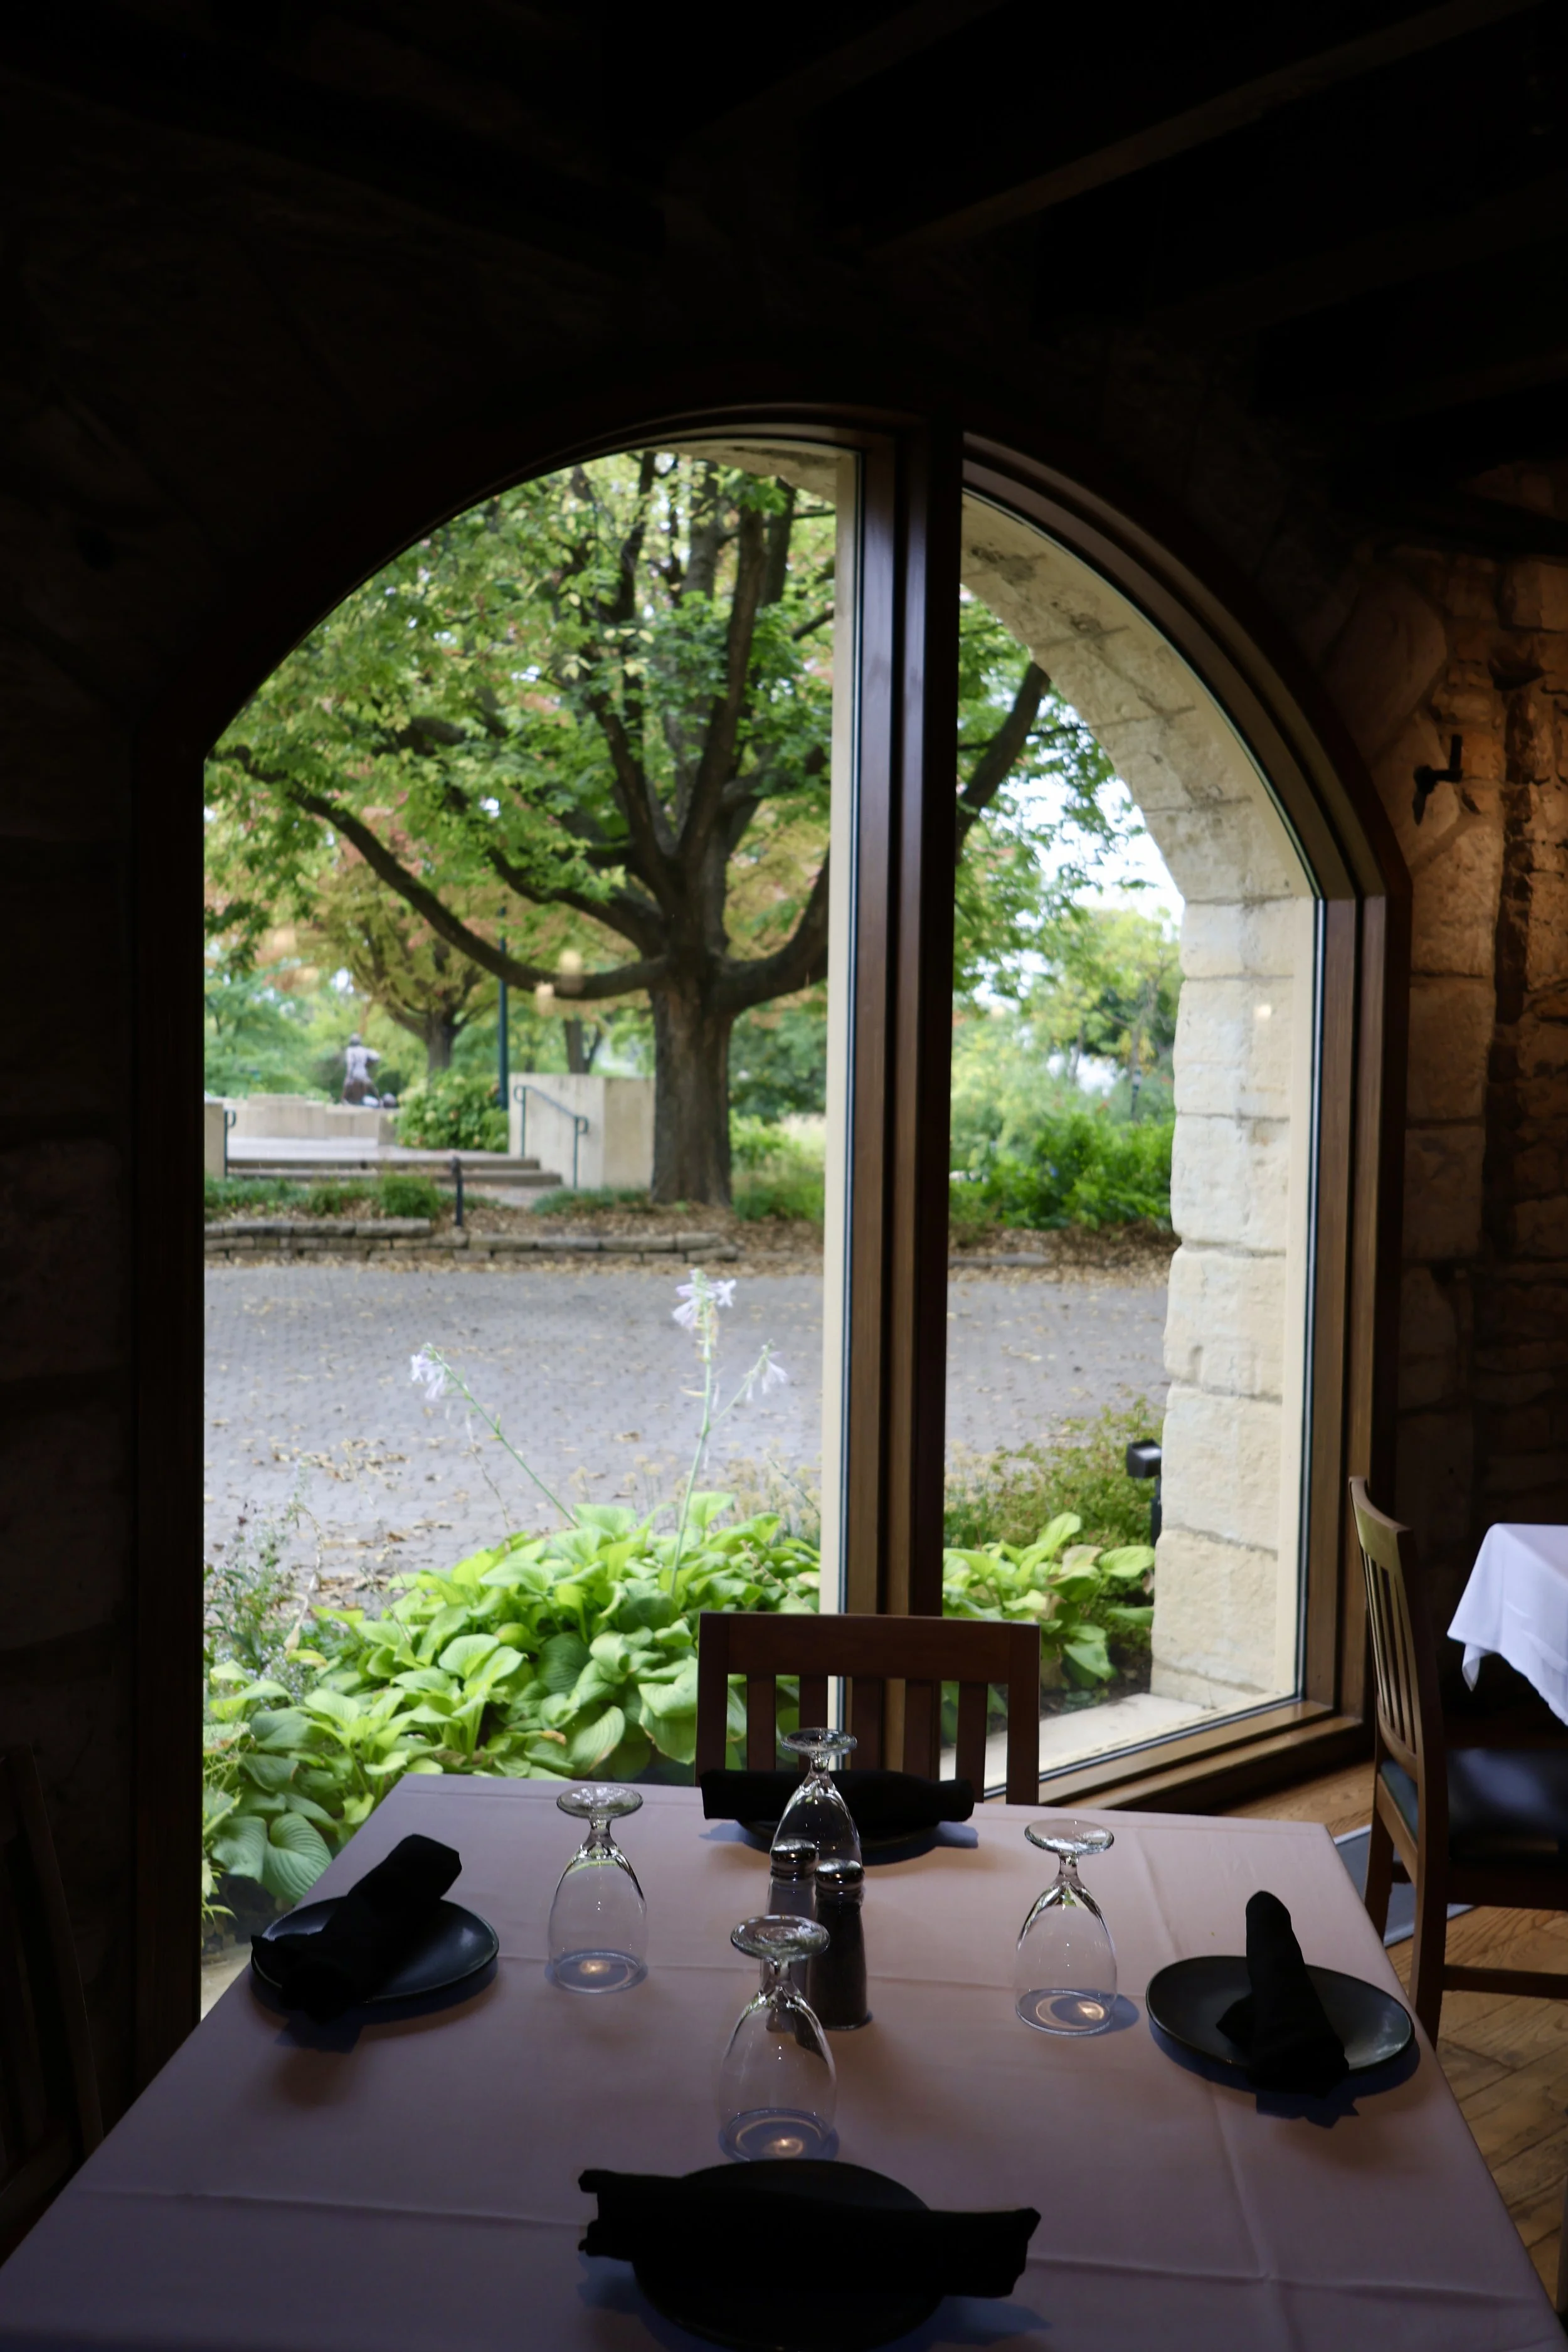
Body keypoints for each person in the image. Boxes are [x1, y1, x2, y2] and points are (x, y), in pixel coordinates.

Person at [342, 1032, 381, 1105]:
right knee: (371, 1086)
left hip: (355, 1075)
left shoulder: (350, 1051)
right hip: (363, 1074)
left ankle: (344, 1100)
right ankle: (379, 1100)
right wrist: (369, 1065)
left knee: (347, 1084)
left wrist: (348, 1077)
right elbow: (377, 1057)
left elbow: (350, 1065)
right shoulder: (364, 1050)